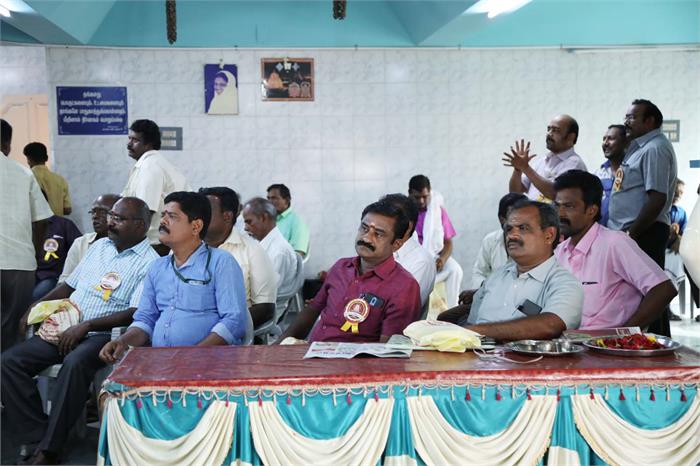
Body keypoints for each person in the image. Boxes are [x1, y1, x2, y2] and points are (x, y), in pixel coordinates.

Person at [2, 197, 158, 466]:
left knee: (74, 365)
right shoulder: (100, 247)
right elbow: (68, 286)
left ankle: (49, 450)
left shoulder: (150, 262)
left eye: (119, 219)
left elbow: (135, 311)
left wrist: (87, 326)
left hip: (104, 335)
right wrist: (36, 306)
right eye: (111, 216)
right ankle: (39, 435)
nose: (111, 222)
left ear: (140, 225)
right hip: (66, 325)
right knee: (8, 363)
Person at [100, 192, 250, 362]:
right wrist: (121, 341)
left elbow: (234, 321)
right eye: (163, 215)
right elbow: (145, 320)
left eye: (172, 216)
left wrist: (192, 356)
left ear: (196, 226)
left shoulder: (221, 262)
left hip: (209, 362)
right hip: (161, 362)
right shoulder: (157, 267)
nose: (163, 221)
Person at [278, 199, 421, 343]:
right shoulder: (341, 267)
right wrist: (278, 345)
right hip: (314, 349)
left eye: (378, 234)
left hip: (358, 357)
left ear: (396, 244)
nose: (366, 238)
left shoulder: (404, 286)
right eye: (364, 228)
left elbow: (388, 349)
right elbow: (313, 309)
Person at [439, 200, 583, 341]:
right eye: (508, 229)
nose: (512, 235)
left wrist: (475, 332)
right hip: (476, 353)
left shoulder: (565, 284)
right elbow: (472, 321)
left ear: (549, 235)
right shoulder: (496, 277)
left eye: (523, 228)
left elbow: (550, 325)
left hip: (523, 357)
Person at [553, 170, 676, 329]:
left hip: (605, 342)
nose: (560, 214)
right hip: (567, 340)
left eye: (568, 206)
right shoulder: (560, 252)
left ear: (591, 210)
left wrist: (624, 334)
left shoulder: (614, 243)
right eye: (557, 206)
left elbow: (663, 290)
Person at [608, 99, 678, 336]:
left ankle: (655, 344)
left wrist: (632, 234)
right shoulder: (639, 148)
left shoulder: (654, 148)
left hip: (644, 231)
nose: (626, 122)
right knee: (639, 294)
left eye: (632, 117)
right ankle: (648, 342)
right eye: (626, 117)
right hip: (634, 232)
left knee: (651, 293)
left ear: (649, 121)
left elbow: (657, 198)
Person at [1, 119, 53, 350]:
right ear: (7, 145)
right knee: (12, 330)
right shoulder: (24, 173)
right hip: (20, 265)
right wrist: (35, 251)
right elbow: (41, 219)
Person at [200, 187, 278, 328]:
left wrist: (222, 329)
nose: (198, 217)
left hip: (228, 332)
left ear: (227, 216)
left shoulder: (253, 251)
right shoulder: (184, 249)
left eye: (206, 212)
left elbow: (265, 308)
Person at [122, 119, 189, 253]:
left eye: (135, 140)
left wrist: (130, 244)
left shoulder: (150, 167)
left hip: (158, 245)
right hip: (163, 241)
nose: (129, 144)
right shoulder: (148, 164)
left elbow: (145, 210)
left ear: (148, 144)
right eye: (129, 138)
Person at [408, 175, 463, 308]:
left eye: (425, 196)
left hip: (434, 256)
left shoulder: (437, 210)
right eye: (417, 197)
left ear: (430, 192)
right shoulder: (403, 213)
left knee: (455, 270)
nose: (421, 201)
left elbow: (448, 242)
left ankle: (452, 308)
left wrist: (442, 259)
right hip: (411, 260)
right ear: (409, 194)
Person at [504, 115, 586, 202]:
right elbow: (515, 192)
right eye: (548, 129)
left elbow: (555, 194)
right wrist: (518, 169)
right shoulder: (542, 161)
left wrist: (525, 168)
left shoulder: (575, 164)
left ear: (571, 137)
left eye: (555, 130)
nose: (549, 134)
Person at [242, 197, 303, 308]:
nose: (245, 228)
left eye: (249, 222)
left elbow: (263, 293)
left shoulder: (279, 251)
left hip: (263, 310)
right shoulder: (263, 245)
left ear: (263, 218)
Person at [382, 193, 435, 308]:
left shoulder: (421, 262)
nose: (378, 224)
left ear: (408, 226)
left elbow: (400, 307)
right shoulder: (381, 250)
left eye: (385, 219)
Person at [59, 194, 121, 282]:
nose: (95, 216)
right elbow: (65, 279)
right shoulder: (81, 243)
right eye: (93, 212)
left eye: (103, 212)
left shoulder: (129, 246)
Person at [472, 192, 527, 289]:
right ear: (502, 219)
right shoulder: (490, 240)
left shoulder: (533, 244)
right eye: (514, 218)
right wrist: (486, 289)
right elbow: (479, 273)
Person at [32, 214, 82, 301]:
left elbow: (80, 249)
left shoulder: (64, 224)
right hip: (27, 274)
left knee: (35, 296)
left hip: (51, 275)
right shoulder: (24, 224)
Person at [23, 142, 72, 216]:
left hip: (35, 223)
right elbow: (67, 210)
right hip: (56, 222)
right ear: (46, 158)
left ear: (28, 159)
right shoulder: (60, 180)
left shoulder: (25, 178)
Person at [594, 125, 627, 226]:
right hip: (601, 229)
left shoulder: (632, 171)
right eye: (604, 139)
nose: (605, 143)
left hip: (625, 229)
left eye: (611, 139)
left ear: (625, 142)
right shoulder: (599, 173)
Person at [665, 180, 687, 321]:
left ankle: (667, 306)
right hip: (660, 250)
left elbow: (685, 234)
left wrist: (679, 238)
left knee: (679, 261)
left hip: (673, 252)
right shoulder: (662, 210)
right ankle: (665, 308)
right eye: (675, 191)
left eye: (681, 193)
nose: (678, 195)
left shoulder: (681, 212)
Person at [267, 183, 310, 257]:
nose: (269, 202)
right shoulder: (268, 219)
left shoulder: (297, 222)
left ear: (286, 200)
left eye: (274, 198)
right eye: (268, 198)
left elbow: (298, 254)